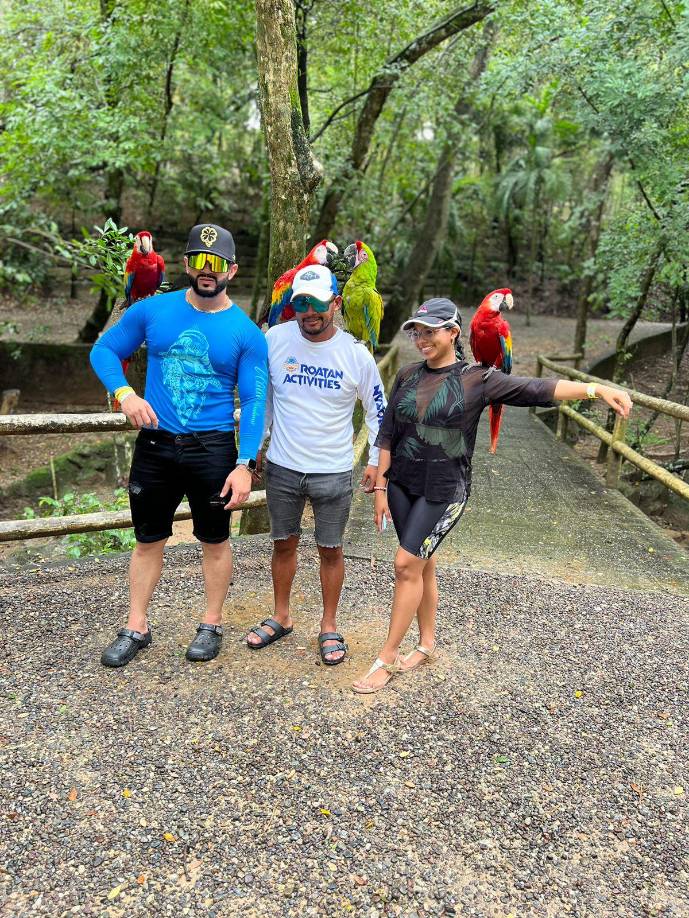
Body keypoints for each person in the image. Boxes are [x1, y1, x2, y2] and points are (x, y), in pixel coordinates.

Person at [352, 297, 633, 693]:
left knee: (405, 564)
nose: (422, 339)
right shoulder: (407, 374)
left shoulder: (478, 379)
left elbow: (536, 388)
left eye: (430, 331)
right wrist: (381, 486)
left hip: (443, 490)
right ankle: (427, 643)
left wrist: (595, 389)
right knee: (421, 562)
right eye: (417, 332)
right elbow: (388, 432)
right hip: (401, 483)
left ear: (453, 332)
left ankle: (387, 658)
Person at [90, 223, 268, 668]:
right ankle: (136, 625)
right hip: (157, 444)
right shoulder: (153, 310)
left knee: (215, 539)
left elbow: (254, 401)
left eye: (217, 263)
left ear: (232, 270)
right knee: (148, 539)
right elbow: (103, 351)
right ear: (186, 264)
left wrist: (245, 464)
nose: (208, 270)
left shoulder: (246, 333)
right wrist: (125, 394)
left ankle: (211, 623)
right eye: (200, 260)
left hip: (212, 449)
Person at [246, 265, 387, 664]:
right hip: (283, 466)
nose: (308, 312)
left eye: (317, 303)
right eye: (301, 303)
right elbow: (263, 398)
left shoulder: (356, 354)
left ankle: (328, 625)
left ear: (336, 304)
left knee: (331, 549)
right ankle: (281, 615)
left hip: (333, 470)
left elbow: (379, 413)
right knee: (283, 544)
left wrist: (376, 461)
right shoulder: (275, 339)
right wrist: (254, 447)